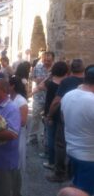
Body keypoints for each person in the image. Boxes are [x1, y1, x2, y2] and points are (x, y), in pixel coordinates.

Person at [46, 59, 84, 182]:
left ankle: (60, 173)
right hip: (84, 118)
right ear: (83, 70)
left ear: (70, 69)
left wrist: (50, 115)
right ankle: (76, 172)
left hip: (66, 117)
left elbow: (56, 101)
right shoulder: (87, 81)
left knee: (61, 145)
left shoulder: (67, 82)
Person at [60, 65, 94, 195]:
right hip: (89, 158)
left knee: (76, 187)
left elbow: (63, 119)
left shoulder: (68, 95)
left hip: (72, 151)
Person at [42, 61, 68, 170]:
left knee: (51, 137)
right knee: (61, 139)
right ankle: (61, 161)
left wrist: (47, 114)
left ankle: (51, 161)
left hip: (52, 114)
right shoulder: (66, 83)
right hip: (63, 114)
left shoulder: (51, 83)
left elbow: (49, 101)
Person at [29, 51, 54, 144]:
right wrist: (36, 80)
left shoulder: (55, 69)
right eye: (45, 60)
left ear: (53, 60)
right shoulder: (37, 67)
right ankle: (33, 136)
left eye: (49, 60)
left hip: (50, 97)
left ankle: (46, 137)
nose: (46, 62)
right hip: (38, 97)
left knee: (48, 118)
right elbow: (31, 77)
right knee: (35, 116)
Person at [9, 75, 28, 172]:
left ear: (12, 86)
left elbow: (23, 122)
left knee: (17, 158)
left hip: (18, 135)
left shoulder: (21, 101)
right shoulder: (8, 97)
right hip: (8, 134)